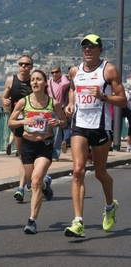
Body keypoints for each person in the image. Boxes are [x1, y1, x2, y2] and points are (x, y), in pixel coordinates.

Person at [64, 34, 126, 238]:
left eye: (92, 47)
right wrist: (71, 103)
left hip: (100, 127)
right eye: (84, 48)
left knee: (100, 173)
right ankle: (78, 222)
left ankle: (110, 206)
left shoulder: (108, 70)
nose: (88, 50)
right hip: (80, 126)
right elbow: (72, 89)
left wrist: (104, 97)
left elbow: (123, 101)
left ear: (100, 49)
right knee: (78, 171)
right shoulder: (76, 71)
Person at [8, 70, 67, 234]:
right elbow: (11, 123)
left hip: (44, 145)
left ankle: (32, 221)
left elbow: (64, 122)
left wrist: (57, 122)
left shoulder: (52, 103)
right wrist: (23, 121)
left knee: (34, 182)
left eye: (38, 79)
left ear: (45, 83)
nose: (35, 82)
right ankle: (46, 183)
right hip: (27, 145)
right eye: (33, 80)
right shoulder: (23, 102)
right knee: (31, 180)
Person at [1, 54, 33, 201]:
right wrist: (5, 102)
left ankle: (23, 185)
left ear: (31, 67)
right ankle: (27, 181)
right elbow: (4, 97)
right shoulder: (11, 80)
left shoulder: (35, 80)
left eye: (27, 64)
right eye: (21, 64)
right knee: (22, 155)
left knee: (29, 155)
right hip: (17, 121)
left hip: (32, 123)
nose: (24, 67)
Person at [47, 66, 70, 160]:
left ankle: (55, 154)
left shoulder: (62, 83)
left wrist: (64, 75)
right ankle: (47, 152)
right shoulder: (48, 83)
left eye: (56, 72)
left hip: (58, 110)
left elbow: (66, 83)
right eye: (52, 73)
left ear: (60, 72)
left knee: (57, 134)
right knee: (47, 132)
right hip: (48, 109)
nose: (54, 74)